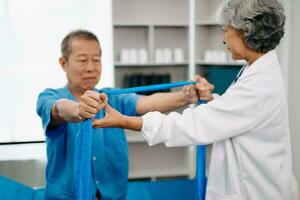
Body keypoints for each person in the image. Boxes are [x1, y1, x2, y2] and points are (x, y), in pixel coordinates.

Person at [93, 0, 293, 199]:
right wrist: (212, 100)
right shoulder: (256, 70)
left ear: (245, 31)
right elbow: (239, 114)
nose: (223, 39)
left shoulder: (258, 85)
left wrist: (125, 121)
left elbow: (192, 125)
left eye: (225, 30)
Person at [36, 29, 203, 199]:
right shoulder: (49, 96)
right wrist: (78, 109)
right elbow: (59, 109)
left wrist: (187, 96)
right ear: (63, 63)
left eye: (96, 60)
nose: (91, 68)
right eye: (82, 60)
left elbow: (147, 102)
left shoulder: (111, 97)